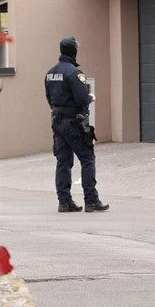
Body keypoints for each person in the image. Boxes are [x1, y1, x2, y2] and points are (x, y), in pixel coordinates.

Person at [44, 36, 109, 213]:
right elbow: (81, 99)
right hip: (73, 123)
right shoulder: (74, 73)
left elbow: (49, 98)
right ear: (74, 51)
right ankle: (91, 200)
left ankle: (64, 202)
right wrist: (90, 97)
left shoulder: (50, 73)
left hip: (57, 122)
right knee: (87, 158)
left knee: (63, 161)